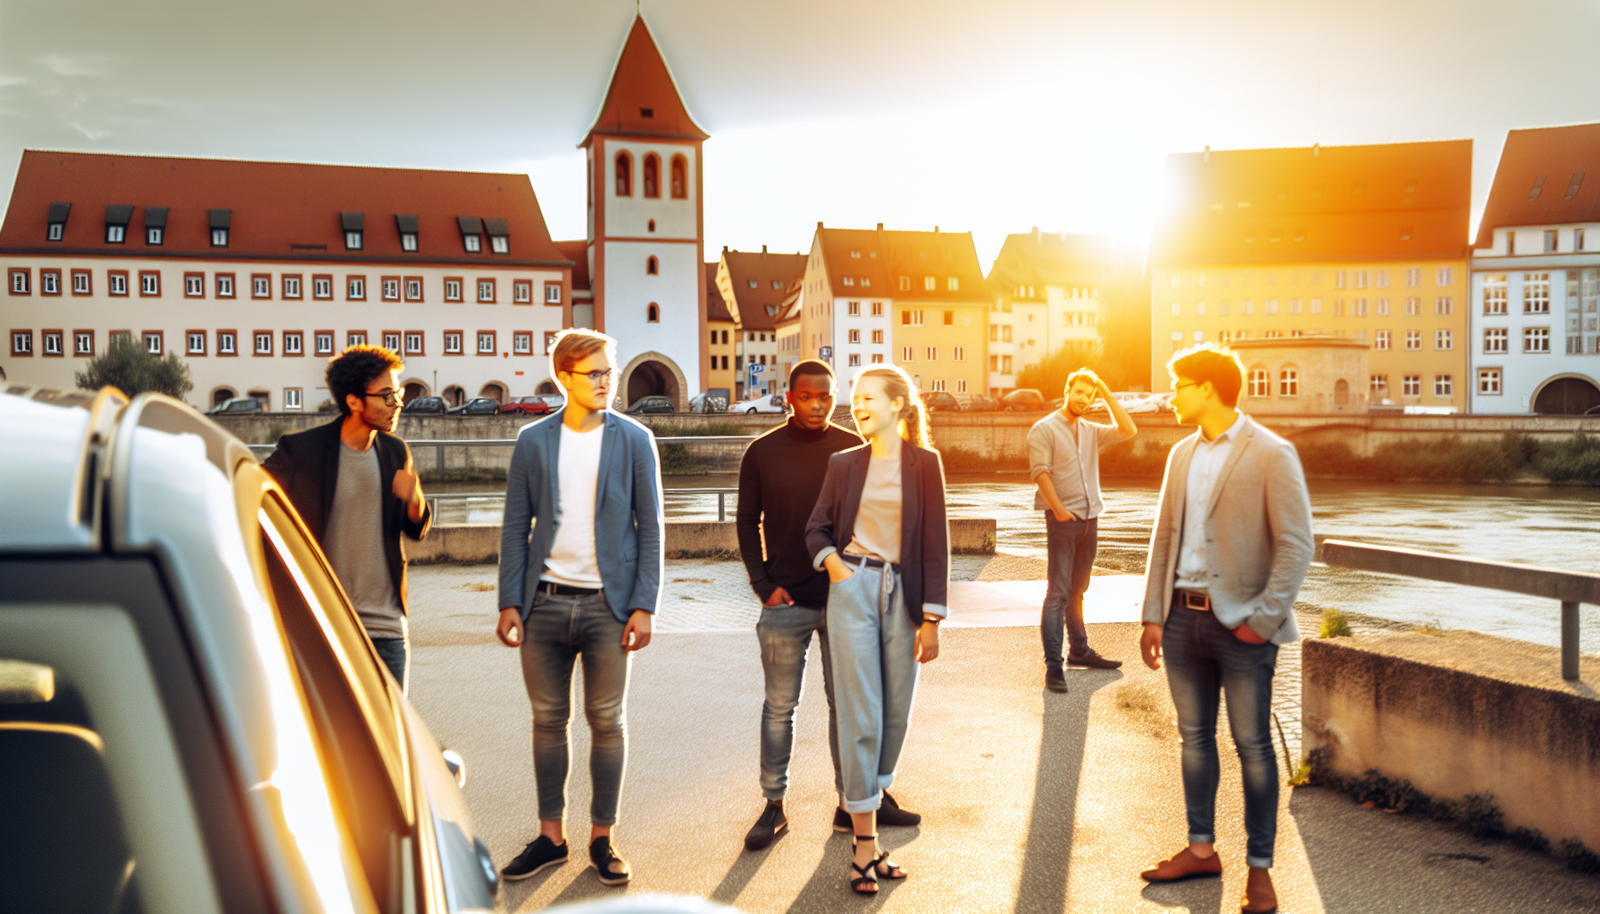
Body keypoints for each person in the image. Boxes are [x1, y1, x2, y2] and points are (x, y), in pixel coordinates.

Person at [1136, 344, 1313, 914]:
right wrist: (1151, 615)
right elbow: (1163, 537)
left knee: (1254, 746)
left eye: (1179, 384)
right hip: (1182, 620)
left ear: (1207, 388)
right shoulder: (1181, 454)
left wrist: (1262, 621)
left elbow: (1295, 545)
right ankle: (1201, 848)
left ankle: (1259, 872)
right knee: (1194, 739)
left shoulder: (1272, 453)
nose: (1172, 394)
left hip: (1243, 626)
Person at [494, 329, 663, 888]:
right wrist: (510, 602)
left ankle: (602, 838)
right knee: (547, 722)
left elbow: (652, 530)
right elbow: (517, 527)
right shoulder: (532, 440)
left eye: (608, 371)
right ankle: (551, 837)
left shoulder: (635, 439)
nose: (605, 381)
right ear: (563, 376)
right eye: (593, 373)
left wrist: (644, 605)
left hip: (609, 609)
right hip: (542, 606)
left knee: (607, 724)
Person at [735, 360, 922, 853]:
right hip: (785, 602)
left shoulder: (852, 450)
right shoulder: (761, 452)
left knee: (853, 707)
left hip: (847, 602)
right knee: (780, 707)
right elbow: (745, 522)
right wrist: (763, 585)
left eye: (826, 396)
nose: (818, 405)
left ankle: (857, 802)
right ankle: (773, 805)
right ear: (789, 398)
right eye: (807, 397)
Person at [806, 365, 948, 895]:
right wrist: (837, 569)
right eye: (856, 399)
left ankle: (870, 809)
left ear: (897, 405)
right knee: (860, 712)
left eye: (869, 398)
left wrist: (931, 619)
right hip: (853, 589)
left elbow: (936, 543)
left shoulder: (925, 465)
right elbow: (816, 526)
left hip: (905, 597)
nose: (858, 405)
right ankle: (864, 844)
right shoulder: (844, 463)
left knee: (894, 712)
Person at [264, 344, 430, 689]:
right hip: (323, 625)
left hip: (387, 628)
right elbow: (249, 495)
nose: (397, 403)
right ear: (355, 401)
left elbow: (416, 529)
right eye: (386, 395)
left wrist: (414, 498)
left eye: (396, 392)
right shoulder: (302, 452)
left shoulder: (396, 452)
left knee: (391, 738)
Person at [1027, 368, 1138, 692]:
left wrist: (1103, 387)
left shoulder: (1091, 430)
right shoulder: (1044, 429)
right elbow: (1040, 473)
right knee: (1058, 593)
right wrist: (1060, 512)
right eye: (1079, 391)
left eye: (1089, 394)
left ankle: (1079, 650)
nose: (1083, 398)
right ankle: (1053, 667)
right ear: (1068, 390)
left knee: (1079, 589)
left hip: (1091, 521)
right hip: (1063, 523)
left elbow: (1128, 429)